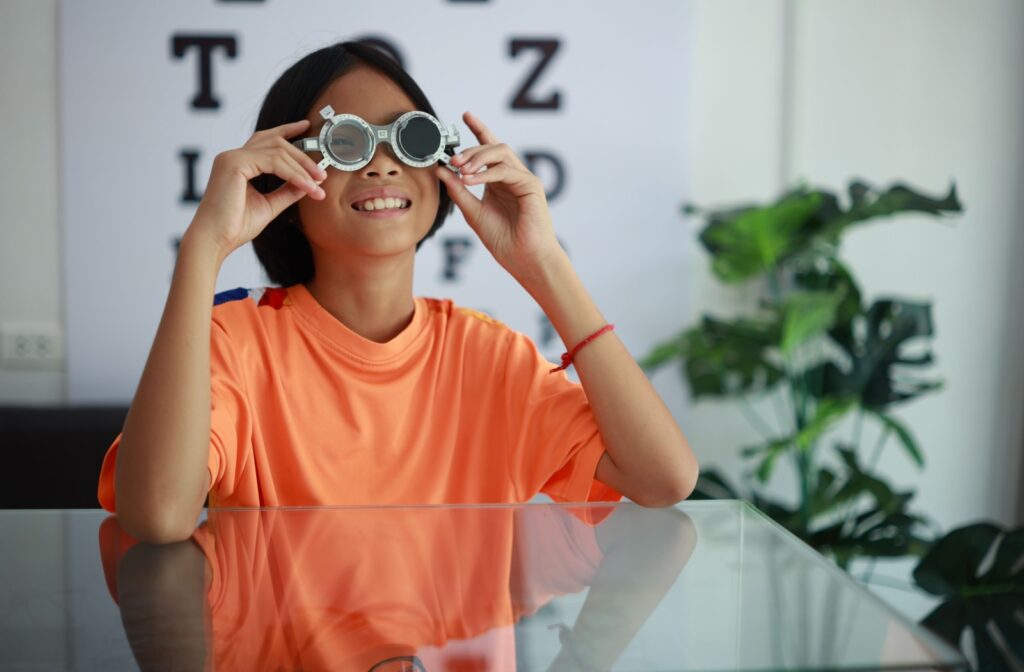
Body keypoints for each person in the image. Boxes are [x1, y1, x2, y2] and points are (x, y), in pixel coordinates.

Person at [96, 40, 699, 544]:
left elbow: (664, 479)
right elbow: (156, 517)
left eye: (408, 139)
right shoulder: (235, 344)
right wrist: (204, 245)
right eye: (348, 143)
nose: (382, 166)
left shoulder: (488, 359)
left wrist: (543, 263)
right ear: (282, 175)